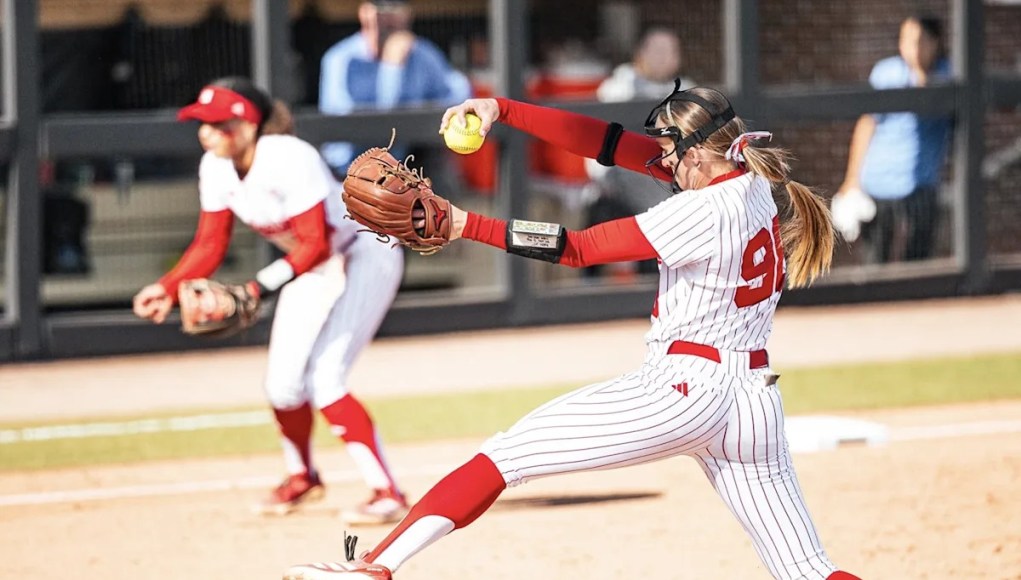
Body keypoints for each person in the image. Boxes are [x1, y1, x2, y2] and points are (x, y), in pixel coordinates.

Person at [283, 82, 860, 579]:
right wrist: (503, 110)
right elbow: (606, 143)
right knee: (808, 570)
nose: (659, 159)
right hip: (754, 402)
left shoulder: (700, 211)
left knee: (504, 456)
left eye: (668, 149)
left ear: (695, 154)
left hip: (684, 391)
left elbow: (578, 247)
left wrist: (464, 223)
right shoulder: (750, 183)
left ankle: (374, 567)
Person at [132, 77, 410, 526]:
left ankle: (387, 491)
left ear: (247, 125)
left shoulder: (288, 157)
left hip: (365, 251)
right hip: (311, 265)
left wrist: (256, 288)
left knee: (326, 378)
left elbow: (316, 242)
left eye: (216, 123)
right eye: (201, 123)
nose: (205, 132)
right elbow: (209, 244)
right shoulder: (215, 167)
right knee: (282, 385)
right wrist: (166, 287)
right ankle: (302, 475)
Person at [832, 14, 952, 263]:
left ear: (936, 43)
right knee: (876, 263)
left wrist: (919, 72)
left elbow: (929, 100)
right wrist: (851, 180)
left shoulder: (949, 75)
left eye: (919, 41)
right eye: (906, 40)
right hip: (878, 185)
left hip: (920, 188)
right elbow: (866, 125)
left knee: (918, 263)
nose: (912, 48)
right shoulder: (886, 72)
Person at [583, 27, 695, 281]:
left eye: (670, 51)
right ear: (640, 54)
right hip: (619, 193)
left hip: (669, 197)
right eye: (656, 50)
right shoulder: (616, 89)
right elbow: (596, 153)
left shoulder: (687, 92)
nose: (663, 57)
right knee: (598, 217)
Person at [318, 0, 471, 175]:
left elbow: (460, 95)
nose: (388, 17)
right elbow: (358, 126)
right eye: (381, 9)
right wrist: (392, 68)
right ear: (364, 13)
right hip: (350, 168)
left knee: (437, 160)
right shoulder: (341, 59)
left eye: (395, 8)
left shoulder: (421, 53)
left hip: (404, 165)